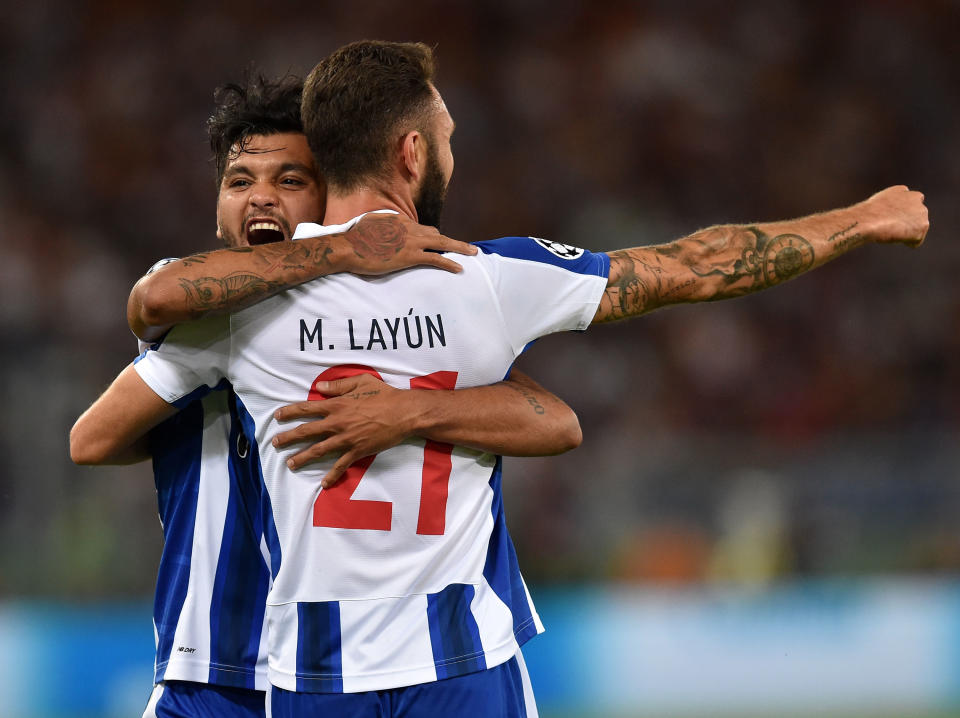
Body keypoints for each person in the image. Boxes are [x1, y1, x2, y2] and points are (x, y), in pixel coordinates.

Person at [72, 41, 928, 718]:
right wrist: (860, 220)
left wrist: (397, 395)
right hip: (459, 660)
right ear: (411, 154)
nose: (451, 153)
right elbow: (697, 265)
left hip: (309, 671)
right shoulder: (485, 280)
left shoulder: (238, 312)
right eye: (446, 140)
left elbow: (154, 300)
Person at [73, 72, 583, 718]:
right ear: (217, 203)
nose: (261, 199)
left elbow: (555, 420)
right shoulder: (204, 307)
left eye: (290, 180)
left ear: (331, 192)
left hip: (345, 664)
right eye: (240, 182)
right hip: (211, 664)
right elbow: (92, 434)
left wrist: (408, 411)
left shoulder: (396, 321)